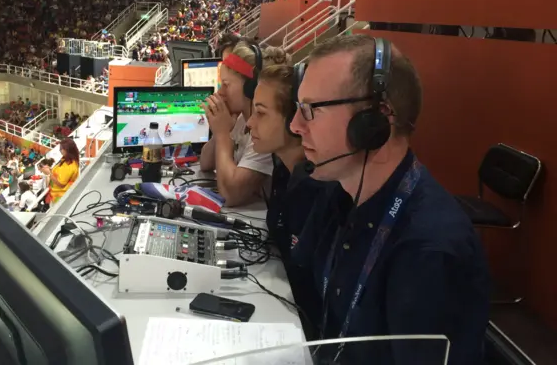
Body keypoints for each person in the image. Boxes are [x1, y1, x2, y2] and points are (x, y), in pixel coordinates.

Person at [290, 35, 490, 364]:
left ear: (376, 121)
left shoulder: (428, 250)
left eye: (311, 110)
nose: (295, 125)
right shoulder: (338, 194)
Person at [246, 63, 345, 339]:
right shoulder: (284, 169)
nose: (250, 123)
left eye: (261, 114)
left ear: (293, 120)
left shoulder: (317, 188)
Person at [200, 40, 288, 207]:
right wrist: (219, 128)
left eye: (226, 84)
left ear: (251, 88)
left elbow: (231, 196)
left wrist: (222, 134)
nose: (220, 92)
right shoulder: (242, 117)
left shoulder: (266, 130)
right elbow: (205, 163)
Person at [48, 138, 80, 204]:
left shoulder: (70, 166)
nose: (60, 150)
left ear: (68, 149)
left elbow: (61, 184)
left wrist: (49, 173)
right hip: (57, 196)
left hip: (60, 198)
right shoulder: (66, 160)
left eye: (62, 148)